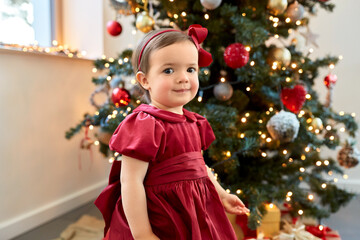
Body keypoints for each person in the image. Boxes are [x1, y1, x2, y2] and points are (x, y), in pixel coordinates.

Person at [95, 24, 249, 240]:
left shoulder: (194, 122)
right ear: (145, 80)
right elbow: (130, 183)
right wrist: (143, 234)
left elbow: (199, 166)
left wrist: (222, 195)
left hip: (194, 210)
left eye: (190, 69)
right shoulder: (145, 125)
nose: (183, 77)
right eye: (169, 70)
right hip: (161, 216)